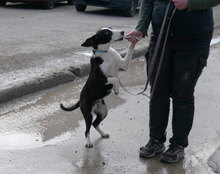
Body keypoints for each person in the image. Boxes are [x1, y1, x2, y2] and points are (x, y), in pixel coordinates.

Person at [127, 0, 220, 163]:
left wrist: (190, 3)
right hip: (161, 37)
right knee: (157, 91)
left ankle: (178, 145)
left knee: (182, 94)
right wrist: (141, 27)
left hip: (192, 41)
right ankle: (156, 140)